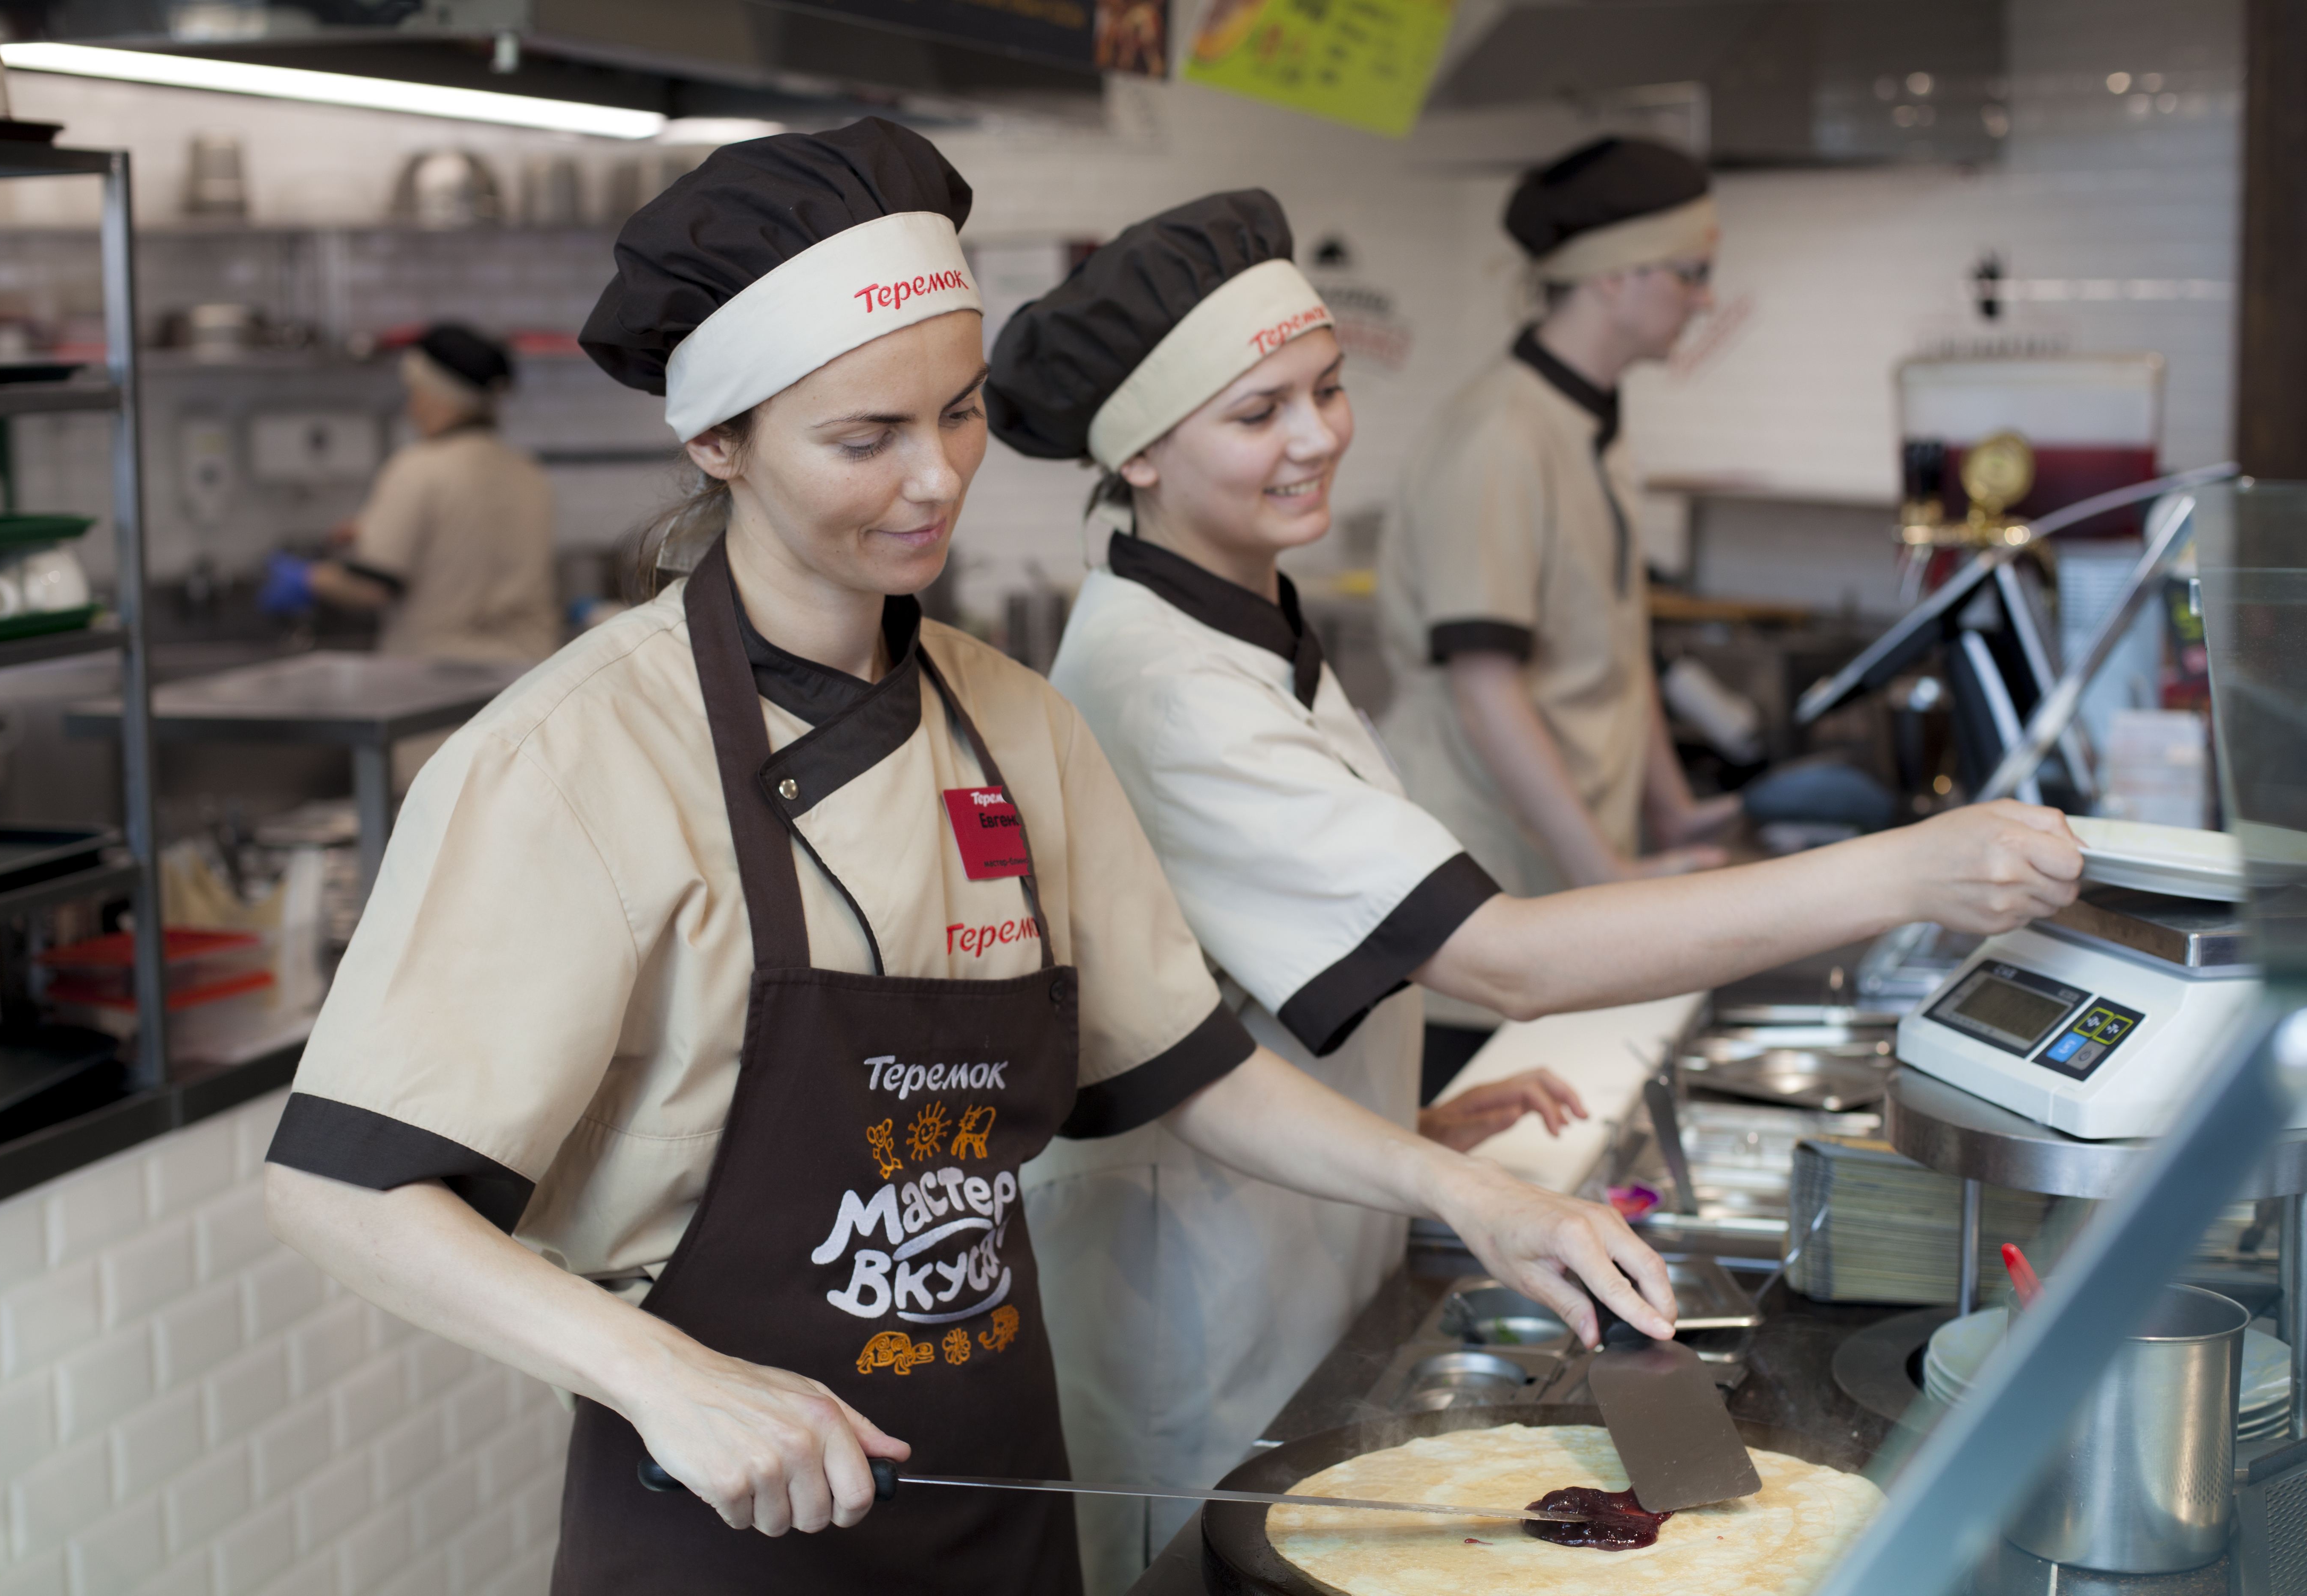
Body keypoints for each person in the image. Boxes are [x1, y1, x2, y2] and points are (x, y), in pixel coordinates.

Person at [257, 121, 1682, 1596]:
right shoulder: (573, 758)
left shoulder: (1018, 725)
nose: (936, 479)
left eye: (955, 415)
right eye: (863, 439)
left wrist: (1475, 1199)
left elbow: (1187, 1073)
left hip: (1003, 1493)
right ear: (716, 442)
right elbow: (344, 1187)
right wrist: (658, 1374)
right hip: (726, 1526)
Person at [984, 188, 2086, 1592]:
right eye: (1256, 413)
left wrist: (1408, 1114)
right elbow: (1498, 957)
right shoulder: (1166, 687)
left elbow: (1217, 979)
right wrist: (1900, 870)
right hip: (1196, 1312)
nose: (1316, 436)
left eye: (1325, 391)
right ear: (1137, 451)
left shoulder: (1238, 620)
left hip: (1290, 1244)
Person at [1373, 136, 1738, 1078]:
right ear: (1614, 279)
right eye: (1692, 273)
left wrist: (1673, 812)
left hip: (1568, 880)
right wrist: (1607, 877)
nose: (1704, 299)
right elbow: (1486, 688)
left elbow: (1618, 644)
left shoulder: (1591, 419)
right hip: (1483, 892)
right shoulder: (1502, 435)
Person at [261, 322, 559, 666]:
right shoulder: (528, 470)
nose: (410, 408)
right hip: (527, 675)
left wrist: (307, 579)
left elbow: (371, 587)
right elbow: (470, 538)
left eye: (415, 392)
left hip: (440, 680)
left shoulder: (417, 467)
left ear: (437, 396)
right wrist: (371, 529)